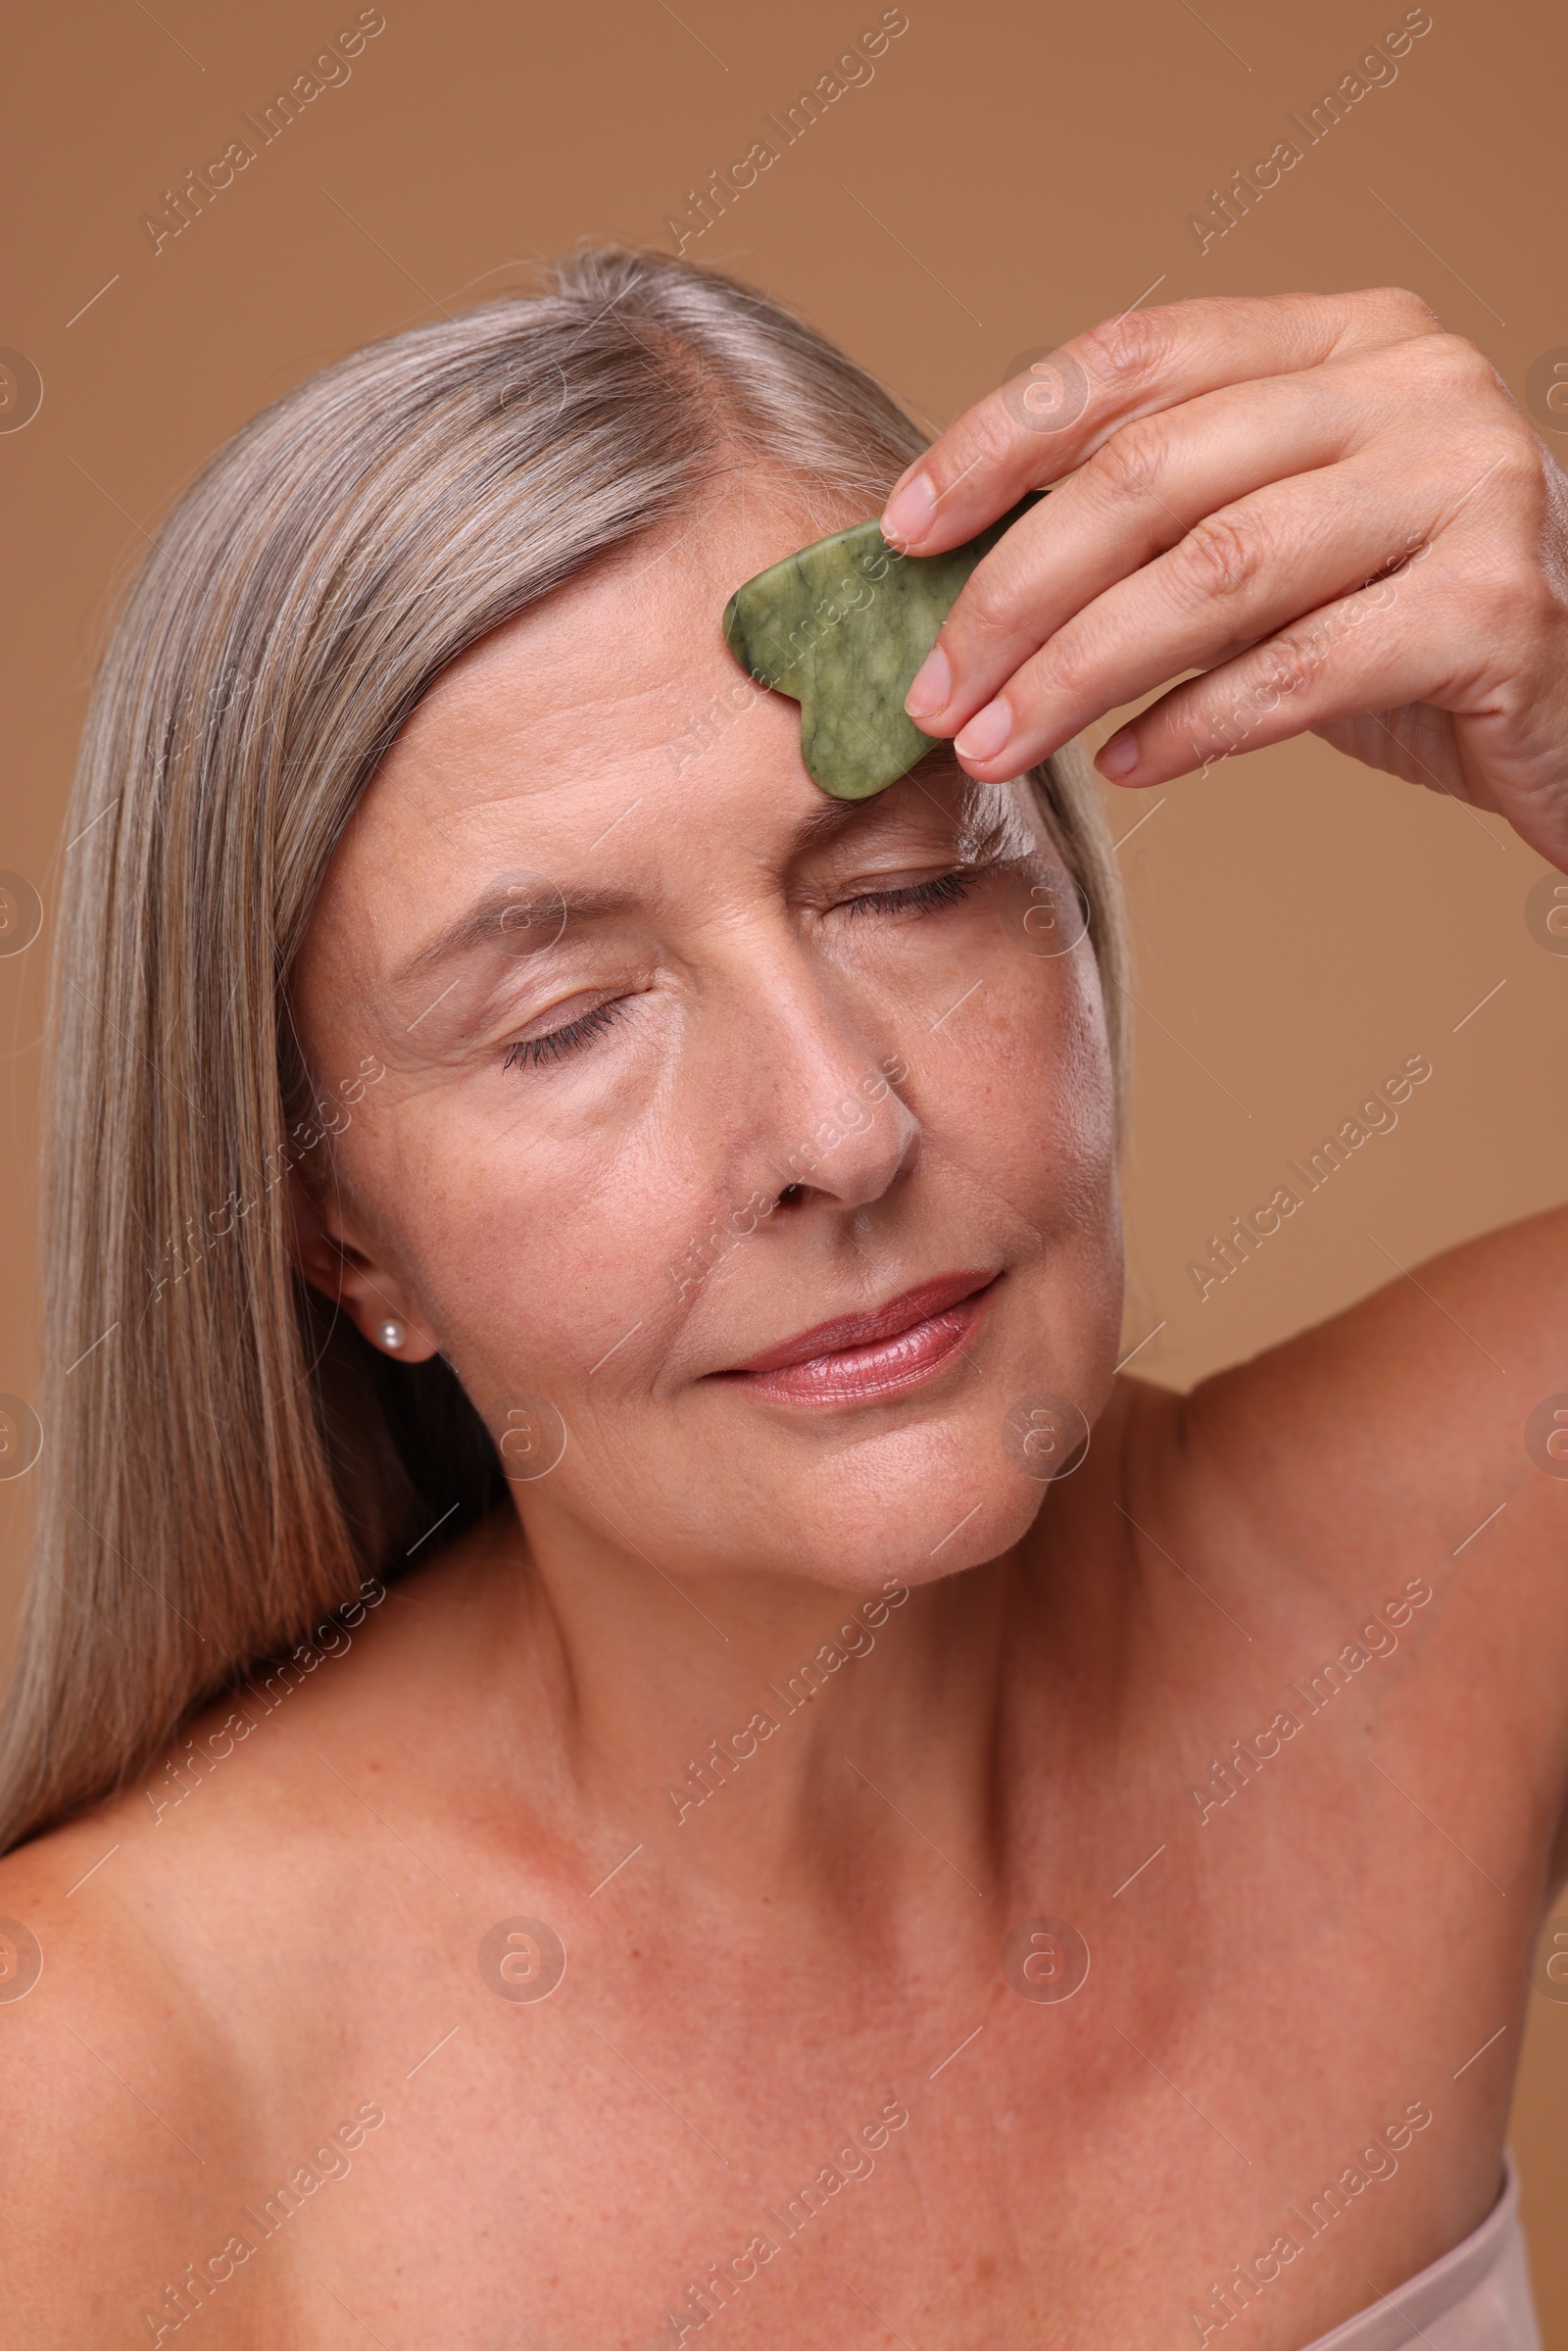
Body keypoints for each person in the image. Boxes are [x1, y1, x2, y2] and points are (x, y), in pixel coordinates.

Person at [0, 249, 1562, 2350]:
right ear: (335, 1232)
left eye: (913, 882)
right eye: (562, 1021)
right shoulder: (95, 2088)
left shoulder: (1465, 1559)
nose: (836, 1123)